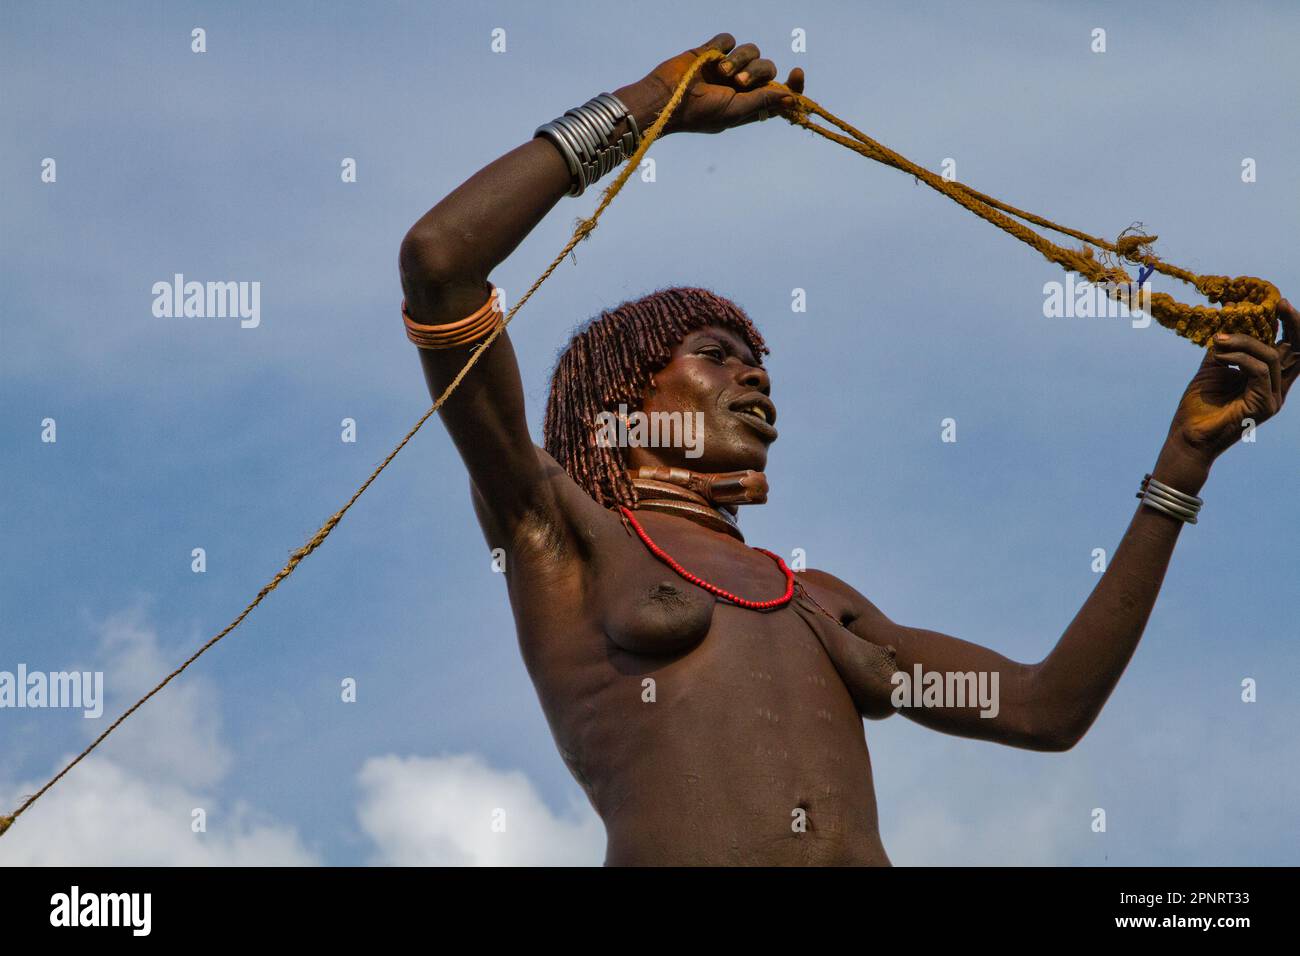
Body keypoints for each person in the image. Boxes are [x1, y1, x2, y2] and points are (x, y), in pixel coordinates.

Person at [397, 33, 1298, 865]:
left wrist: (1183, 464)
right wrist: (645, 105)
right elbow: (440, 262)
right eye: (715, 356)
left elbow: (1041, 708)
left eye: (758, 363)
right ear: (621, 398)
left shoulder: (820, 604)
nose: (755, 379)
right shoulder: (557, 531)